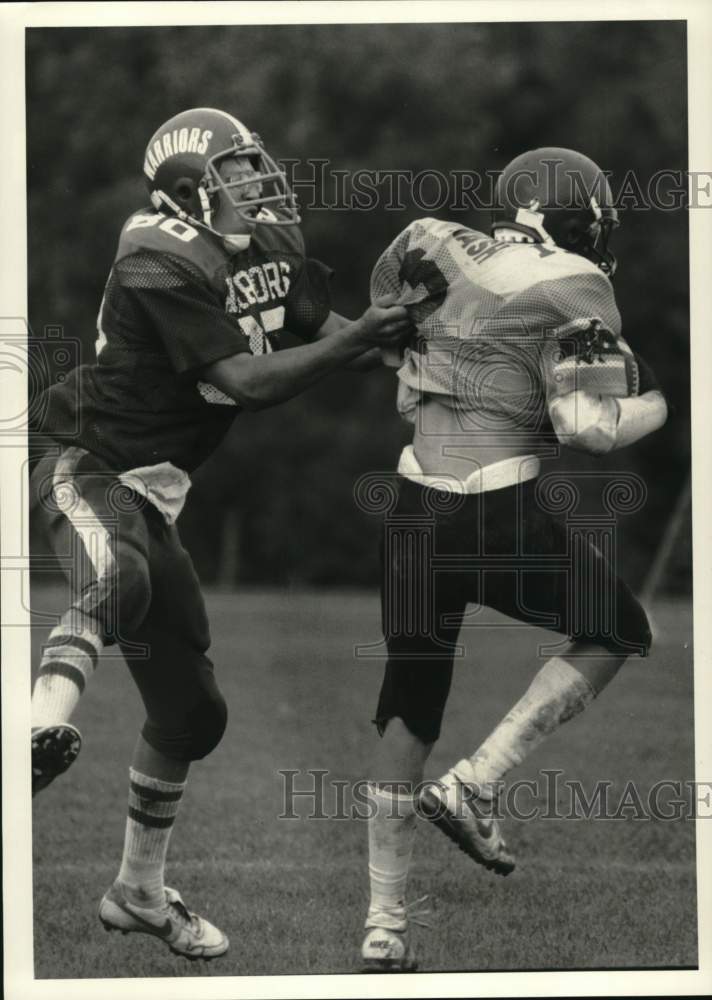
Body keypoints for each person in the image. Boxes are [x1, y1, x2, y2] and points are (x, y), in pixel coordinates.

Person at [29, 106, 413, 962]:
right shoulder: (156, 256)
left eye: (254, 164)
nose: (257, 181)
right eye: (237, 170)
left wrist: (409, 332)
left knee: (192, 715)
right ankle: (34, 727)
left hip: (158, 486)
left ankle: (137, 892)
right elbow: (245, 381)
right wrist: (364, 336)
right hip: (82, 455)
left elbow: (321, 334)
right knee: (116, 573)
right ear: (190, 192)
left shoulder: (268, 242)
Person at [359, 147, 668, 972]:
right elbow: (587, 428)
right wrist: (658, 402)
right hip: (495, 510)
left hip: (413, 505)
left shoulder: (428, 236)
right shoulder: (577, 281)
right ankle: (479, 780)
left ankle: (383, 925)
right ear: (572, 216)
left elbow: (385, 330)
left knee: (408, 704)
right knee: (619, 629)